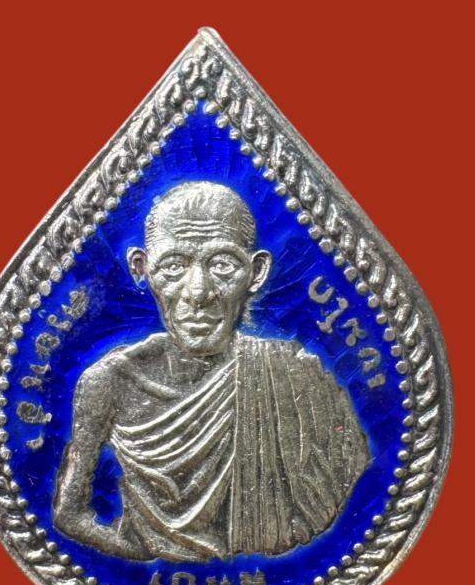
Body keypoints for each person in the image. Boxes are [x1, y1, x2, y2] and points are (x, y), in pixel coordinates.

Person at [53, 181, 370, 561]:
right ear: (142, 268)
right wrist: (141, 558)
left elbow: (354, 476)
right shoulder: (109, 381)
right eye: (173, 266)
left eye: (222, 265)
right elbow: (69, 514)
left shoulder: (298, 377)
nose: (199, 292)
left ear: (256, 272)